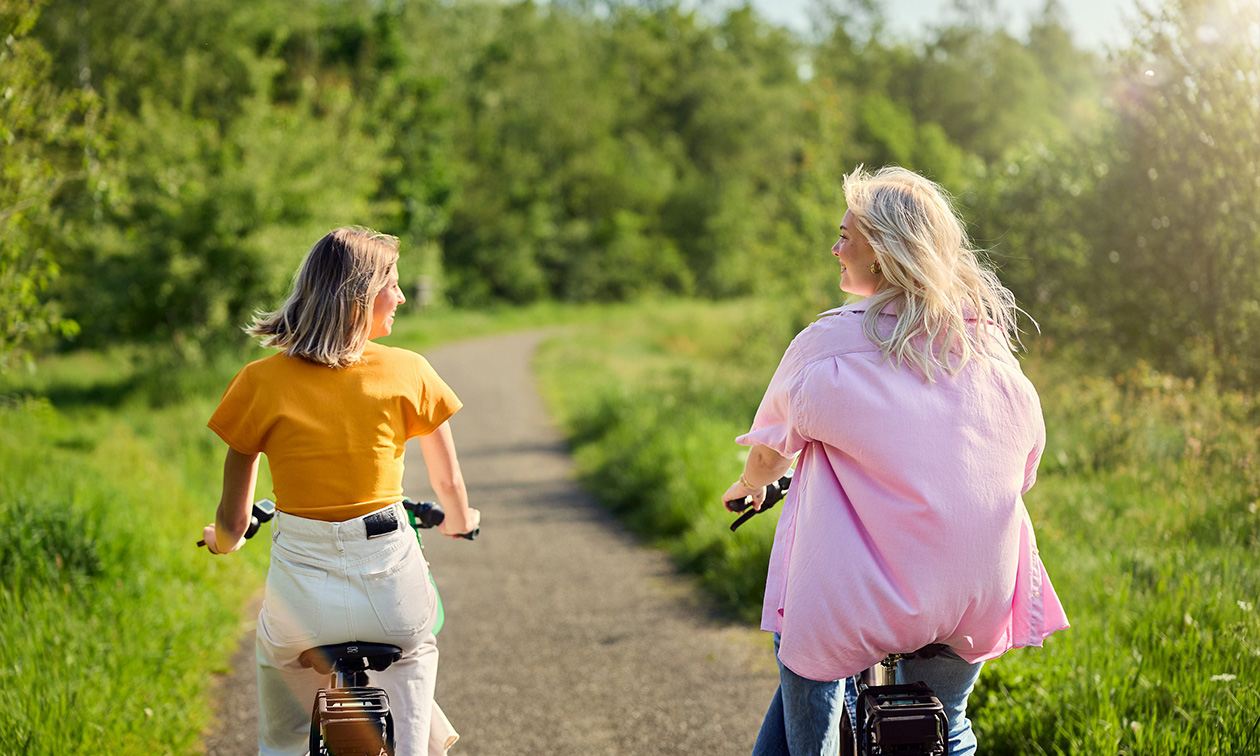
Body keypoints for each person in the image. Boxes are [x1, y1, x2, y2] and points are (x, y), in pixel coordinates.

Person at [723, 166, 1068, 755]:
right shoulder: (987, 346)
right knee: (948, 722)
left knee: (811, 696)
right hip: (972, 589)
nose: (835, 248)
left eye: (845, 235)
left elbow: (771, 447)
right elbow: (1024, 468)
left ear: (880, 254)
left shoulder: (829, 342)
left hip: (854, 598)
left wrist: (752, 485)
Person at [200, 227, 480, 756]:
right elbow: (448, 483)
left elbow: (234, 524)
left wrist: (222, 541)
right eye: (389, 285)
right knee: (415, 652)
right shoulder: (410, 370)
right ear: (358, 295)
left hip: (299, 599)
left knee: (280, 693)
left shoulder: (258, 382)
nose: (399, 297)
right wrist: (460, 520)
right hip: (391, 586)